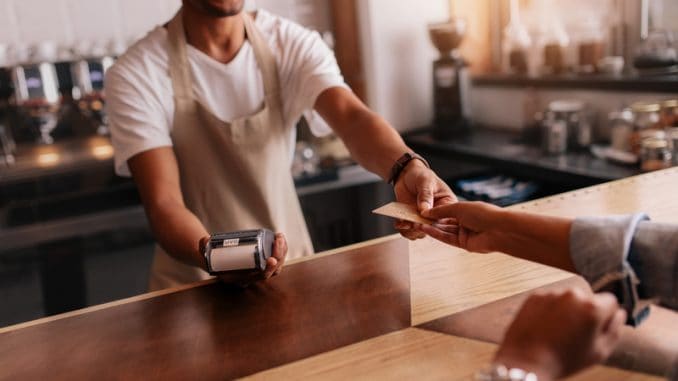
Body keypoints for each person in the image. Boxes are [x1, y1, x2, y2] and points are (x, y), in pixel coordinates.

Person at [105, 0, 455, 290]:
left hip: (290, 273)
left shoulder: (290, 43)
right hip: (191, 287)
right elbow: (164, 203)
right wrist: (216, 257)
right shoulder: (136, 73)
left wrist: (406, 167)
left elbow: (351, 118)